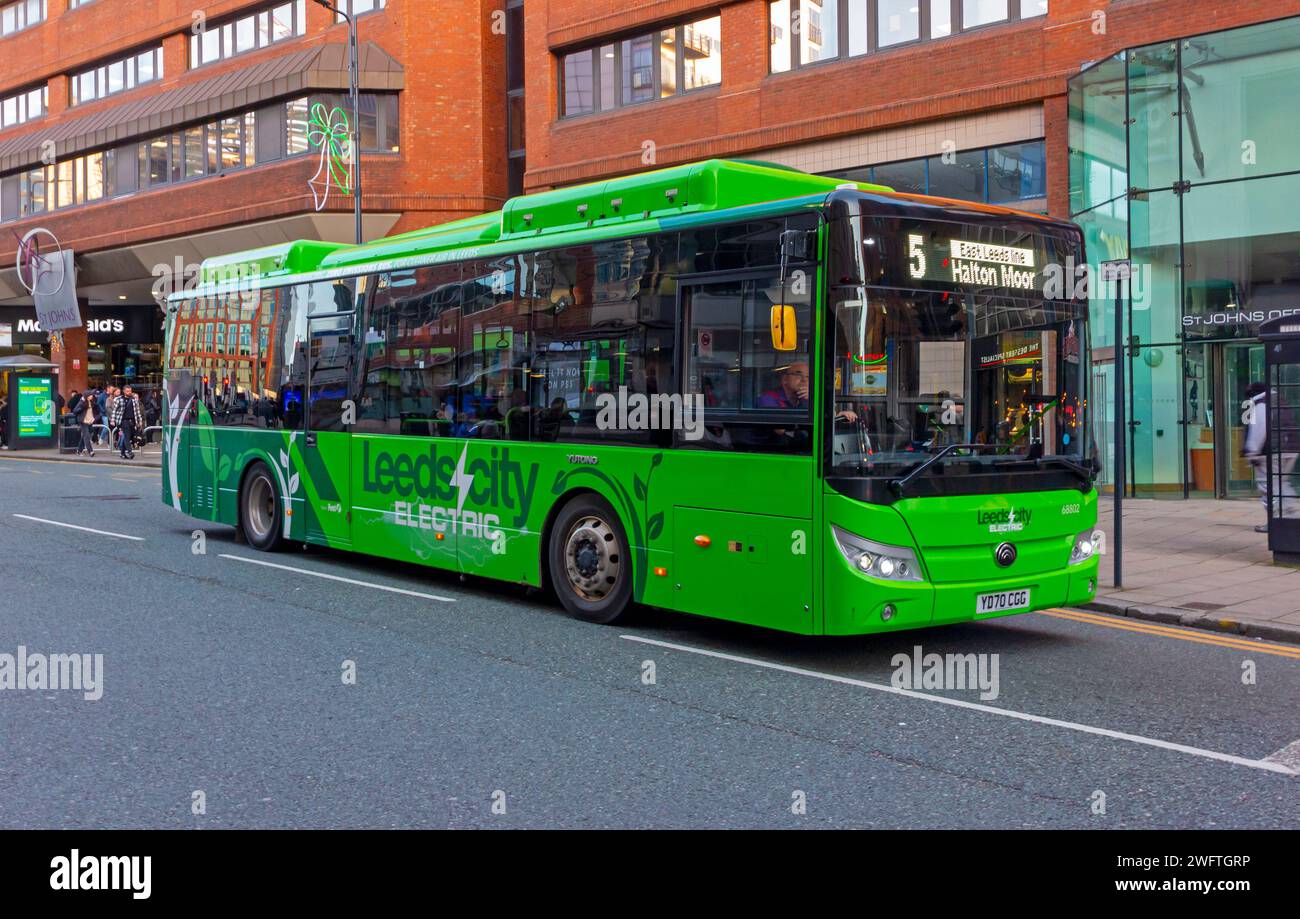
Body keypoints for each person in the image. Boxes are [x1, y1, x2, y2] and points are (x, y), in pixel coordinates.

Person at [1244, 381, 1299, 533]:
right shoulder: (1279, 400)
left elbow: (1258, 431)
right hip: (1291, 449)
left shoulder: (1260, 405)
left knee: (1267, 486)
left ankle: (1275, 521)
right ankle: (1290, 517)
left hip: (1271, 453)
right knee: (1281, 483)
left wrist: (1252, 453)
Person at [111, 385, 145, 460]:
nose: (129, 392)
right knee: (126, 436)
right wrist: (113, 420)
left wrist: (140, 420)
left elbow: (137, 411)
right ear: (124, 391)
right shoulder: (118, 399)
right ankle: (130, 452)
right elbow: (114, 410)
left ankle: (122, 453)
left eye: (130, 391)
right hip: (123, 421)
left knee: (130, 437)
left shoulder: (134, 400)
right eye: (127, 391)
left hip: (132, 421)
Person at [69, 389, 98, 457]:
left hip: (90, 421)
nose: (92, 396)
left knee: (85, 436)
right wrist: (82, 408)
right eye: (90, 395)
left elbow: (95, 411)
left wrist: (94, 418)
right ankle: (90, 451)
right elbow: (75, 411)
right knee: (87, 436)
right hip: (83, 421)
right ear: (87, 396)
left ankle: (79, 450)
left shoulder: (92, 402)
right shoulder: (82, 402)